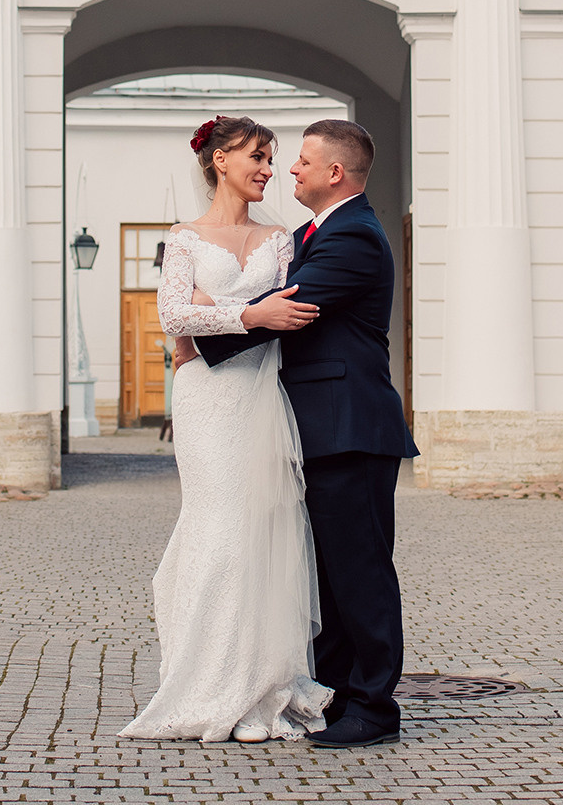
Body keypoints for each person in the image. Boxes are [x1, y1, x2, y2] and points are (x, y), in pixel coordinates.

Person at [191, 117, 419, 749]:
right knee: (328, 571)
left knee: (361, 571)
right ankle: (338, 694)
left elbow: (291, 305)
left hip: (350, 427)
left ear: (334, 173)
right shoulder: (311, 231)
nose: (289, 170)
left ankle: (374, 708)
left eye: (302, 162)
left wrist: (199, 340)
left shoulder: (356, 238)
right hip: (316, 427)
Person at [119, 115, 332, 744]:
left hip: (264, 396)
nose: (270, 169)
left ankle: (262, 680)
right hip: (208, 401)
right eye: (259, 157)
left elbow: (288, 313)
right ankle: (208, 680)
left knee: (264, 527)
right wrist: (250, 312)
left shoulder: (282, 241)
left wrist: (222, 315)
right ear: (220, 160)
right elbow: (173, 317)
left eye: (273, 158)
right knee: (219, 523)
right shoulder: (184, 238)